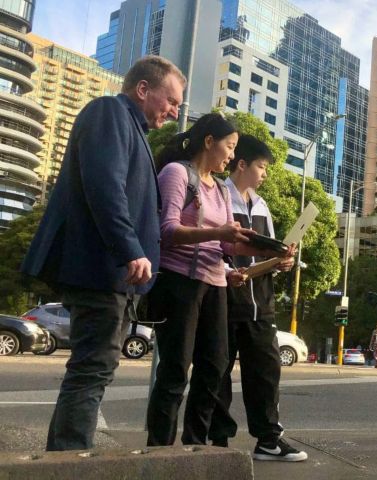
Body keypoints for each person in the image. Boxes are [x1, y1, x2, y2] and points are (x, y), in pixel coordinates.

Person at [20, 56, 185, 451]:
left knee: (93, 369)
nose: (175, 112)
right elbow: (104, 185)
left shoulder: (133, 129)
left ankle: (64, 460)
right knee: (92, 369)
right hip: (100, 268)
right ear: (143, 89)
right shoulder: (109, 111)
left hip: (112, 273)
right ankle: (70, 462)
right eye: (172, 101)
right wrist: (130, 248)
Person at [145, 114, 269, 446]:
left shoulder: (220, 190)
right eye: (229, 147)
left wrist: (271, 252)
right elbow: (167, 231)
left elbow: (228, 243)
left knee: (214, 367)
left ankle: (196, 445)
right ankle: (159, 449)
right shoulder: (177, 174)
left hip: (216, 284)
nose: (231, 156)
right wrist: (218, 232)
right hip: (180, 282)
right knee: (175, 369)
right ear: (209, 142)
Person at [207, 134, 306, 461]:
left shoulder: (262, 205)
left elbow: (267, 253)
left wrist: (282, 260)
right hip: (225, 301)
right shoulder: (218, 196)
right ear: (242, 164)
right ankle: (218, 441)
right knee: (218, 372)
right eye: (261, 167)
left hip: (261, 305)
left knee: (265, 372)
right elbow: (213, 248)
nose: (264, 174)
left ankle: (268, 440)